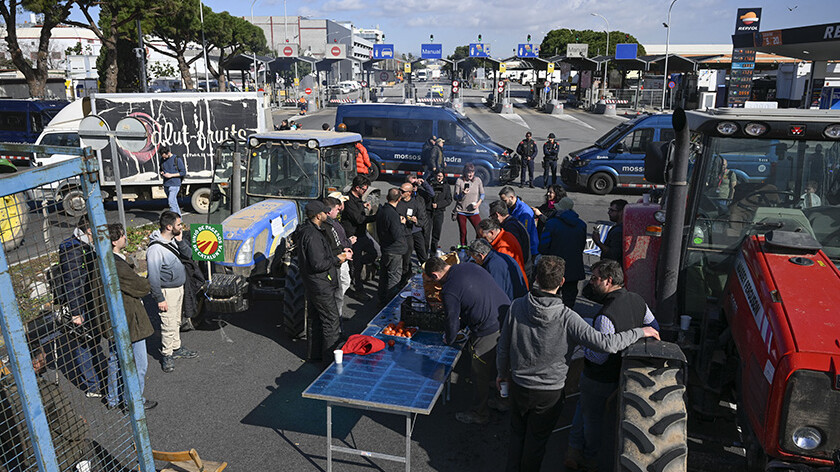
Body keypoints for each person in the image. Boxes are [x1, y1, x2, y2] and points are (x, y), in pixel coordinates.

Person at [496, 256, 660, 472]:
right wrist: (640, 332)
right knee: (536, 441)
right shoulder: (568, 318)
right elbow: (607, 344)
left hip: (519, 386)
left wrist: (502, 373)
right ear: (562, 282)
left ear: (536, 279)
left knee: (517, 434)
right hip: (549, 394)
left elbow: (503, 346)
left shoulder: (517, 306)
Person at [570, 260, 660, 471]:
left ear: (608, 281)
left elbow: (599, 357)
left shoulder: (605, 316)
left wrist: (583, 344)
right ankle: (574, 448)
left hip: (599, 379)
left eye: (595, 278)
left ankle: (588, 456)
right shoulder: (638, 300)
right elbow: (653, 326)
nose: (591, 282)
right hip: (624, 372)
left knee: (591, 419)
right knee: (584, 408)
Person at [424, 256, 510, 425]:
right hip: (506, 315)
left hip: (488, 327)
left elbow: (452, 320)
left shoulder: (449, 290)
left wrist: (449, 338)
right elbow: (469, 301)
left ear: (435, 275)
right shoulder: (469, 267)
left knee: (479, 371)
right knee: (502, 363)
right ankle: (503, 400)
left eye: (432, 280)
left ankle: (479, 413)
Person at [107, 223, 157, 411]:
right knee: (139, 363)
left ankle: (113, 398)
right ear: (114, 241)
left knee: (115, 359)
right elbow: (140, 287)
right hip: (129, 319)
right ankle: (134, 401)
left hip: (114, 318)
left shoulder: (103, 260)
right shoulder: (117, 265)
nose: (125, 238)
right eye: (122, 235)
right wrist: (145, 282)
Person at [57, 216, 108, 397]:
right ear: (89, 230)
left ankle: (98, 374)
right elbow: (72, 283)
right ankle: (93, 385)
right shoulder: (73, 250)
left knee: (91, 339)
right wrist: (76, 312)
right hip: (81, 304)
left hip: (88, 301)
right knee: (84, 342)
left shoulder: (84, 245)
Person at [296, 200, 350, 361]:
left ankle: (314, 355)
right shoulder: (313, 235)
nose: (327, 214)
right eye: (324, 212)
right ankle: (329, 360)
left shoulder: (308, 230)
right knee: (331, 321)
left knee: (315, 319)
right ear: (318, 216)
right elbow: (318, 264)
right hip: (321, 284)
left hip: (313, 283)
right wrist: (337, 259)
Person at [146, 211, 198, 373]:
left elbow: (189, 255)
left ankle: (176, 347)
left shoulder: (174, 240)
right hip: (167, 291)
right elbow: (153, 277)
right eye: (178, 224)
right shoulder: (155, 250)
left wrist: (181, 242)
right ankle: (167, 354)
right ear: (169, 227)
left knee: (176, 320)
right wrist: (160, 298)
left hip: (178, 288)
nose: (181, 227)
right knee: (168, 324)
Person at [538, 197, 586, 308]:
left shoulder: (551, 224)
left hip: (554, 267)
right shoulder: (581, 225)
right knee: (569, 298)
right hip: (574, 267)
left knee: (551, 297)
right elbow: (581, 245)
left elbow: (543, 247)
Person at [342, 176, 379, 300]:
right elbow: (359, 219)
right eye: (364, 189)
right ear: (357, 188)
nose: (365, 191)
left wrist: (363, 206)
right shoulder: (349, 201)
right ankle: (358, 290)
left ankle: (357, 264)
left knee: (376, 252)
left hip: (362, 234)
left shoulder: (358, 200)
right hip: (354, 236)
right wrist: (375, 217)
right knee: (357, 266)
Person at [324, 196, 355, 319]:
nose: (340, 210)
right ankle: (336, 318)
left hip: (340, 257)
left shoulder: (333, 223)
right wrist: (344, 248)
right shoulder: (328, 226)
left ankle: (337, 315)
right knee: (338, 292)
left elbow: (337, 242)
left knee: (344, 283)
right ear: (329, 210)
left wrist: (343, 248)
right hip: (335, 262)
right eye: (337, 208)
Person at [377, 188, 408, 303]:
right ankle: (390, 303)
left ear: (387, 197)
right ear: (399, 199)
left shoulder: (382, 210)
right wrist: (402, 224)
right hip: (394, 251)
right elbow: (397, 234)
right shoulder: (393, 214)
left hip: (385, 248)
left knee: (384, 276)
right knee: (394, 278)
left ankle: (381, 299)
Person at [488, 200, 532, 280]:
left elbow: (511, 251)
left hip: (522, 268)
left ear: (497, 215)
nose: (492, 219)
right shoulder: (512, 222)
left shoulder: (510, 228)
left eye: (491, 216)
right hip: (524, 265)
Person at [477, 218, 528, 287]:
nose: (482, 241)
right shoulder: (506, 235)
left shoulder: (502, 248)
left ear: (491, 233)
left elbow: (499, 274)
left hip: (514, 285)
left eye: (484, 237)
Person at [398, 181, 429, 278]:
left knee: (423, 255)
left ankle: (428, 275)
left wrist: (416, 221)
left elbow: (423, 220)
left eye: (402, 191)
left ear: (409, 193)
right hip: (404, 233)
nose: (400, 193)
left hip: (415, 232)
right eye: (399, 190)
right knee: (406, 258)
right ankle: (406, 276)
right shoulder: (398, 203)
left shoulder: (416, 204)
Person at [499, 186, 539, 261]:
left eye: (505, 201)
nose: (503, 204)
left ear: (511, 197)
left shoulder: (524, 212)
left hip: (528, 249)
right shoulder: (510, 207)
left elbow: (525, 233)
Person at [453, 163, 485, 245]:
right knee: (463, 232)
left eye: (472, 172)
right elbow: (455, 197)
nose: (470, 174)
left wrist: (478, 204)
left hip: (473, 211)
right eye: (469, 172)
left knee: (480, 230)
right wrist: (463, 194)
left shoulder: (478, 180)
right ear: (465, 172)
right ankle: (463, 248)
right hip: (461, 210)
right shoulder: (459, 181)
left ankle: (477, 246)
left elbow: (482, 194)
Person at [592, 199, 627, 266]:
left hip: (613, 267)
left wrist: (598, 242)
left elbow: (612, 254)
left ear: (621, 212)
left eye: (612, 210)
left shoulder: (619, 231)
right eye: (609, 210)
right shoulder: (619, 227)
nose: (608, 212)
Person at [429, 169, 453, 251]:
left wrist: (438, 205)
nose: (439, 178)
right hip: (429, 211)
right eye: (438, 176)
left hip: (439, 212)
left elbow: (449, 200)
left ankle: (433, 252)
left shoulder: (446, 186)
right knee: (426, 232)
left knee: (436, 232)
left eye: (441, 176)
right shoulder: (430, 184)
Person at [159, 145, 186, 215]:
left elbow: (183, 172)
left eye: (165, 156)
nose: (164, 158)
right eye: (162, 156)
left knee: (171, 202)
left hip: (175, 184)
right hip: (166, 184)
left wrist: (171, 175)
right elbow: (161, 169)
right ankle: (179, 219)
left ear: (168, 153)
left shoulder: (177, 159)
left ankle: (174, 219)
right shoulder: (162, 159)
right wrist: (162, 172)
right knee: (174, 203)